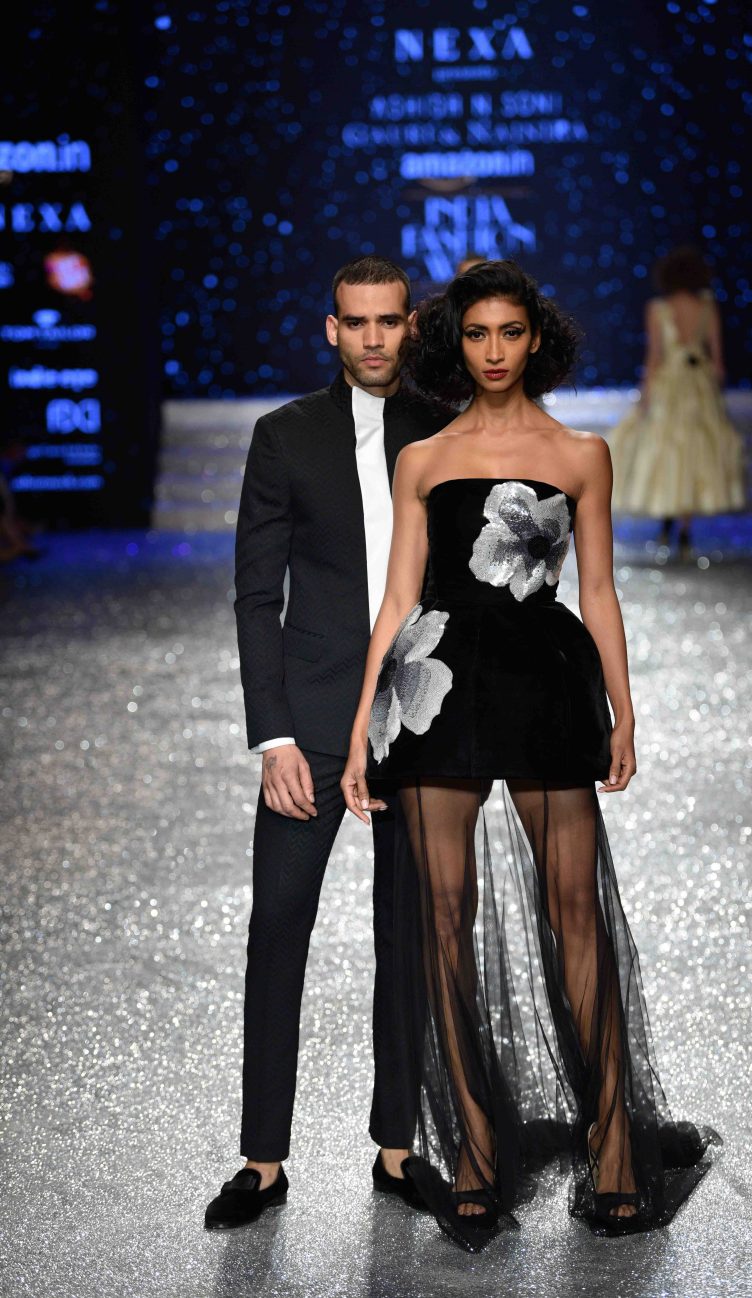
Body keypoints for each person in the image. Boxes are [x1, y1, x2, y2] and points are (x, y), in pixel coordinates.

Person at [341, 260, 720, 1250]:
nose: (495, 350)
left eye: (510, 331)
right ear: (456, 342)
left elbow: (598, 590)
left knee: (575, 914)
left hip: (547, 683)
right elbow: (398, 597)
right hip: (437, 684)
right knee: (441, 922)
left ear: (536, 337)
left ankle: (613, 1148)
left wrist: (623, 710)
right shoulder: (422, 458)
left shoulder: (580, 453)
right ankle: (472, 1152)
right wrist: (361, 726)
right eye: (477, 334)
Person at [204, 255, 450, 1230]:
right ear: (331, 329)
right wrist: (272, 735)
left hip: (415, 717)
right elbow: (254, 593)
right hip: (306, 725)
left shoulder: (443, 428)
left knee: (409, 934)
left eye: (389, 321)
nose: (374, 338)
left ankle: (398, 1148)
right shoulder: (284, 435)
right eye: (357, 322)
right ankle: (262, 1160)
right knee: (277, 927)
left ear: (409, 326)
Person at [608, 245, 745, 557]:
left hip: (668, 387)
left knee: (667, 451)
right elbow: (718, 362)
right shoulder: (706, 307)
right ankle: (683, 528)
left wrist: (645, 394)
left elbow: (654, 357)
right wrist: (717, 396)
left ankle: (668, 522)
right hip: (698, 387)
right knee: (694, 453)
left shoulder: (658, 309)